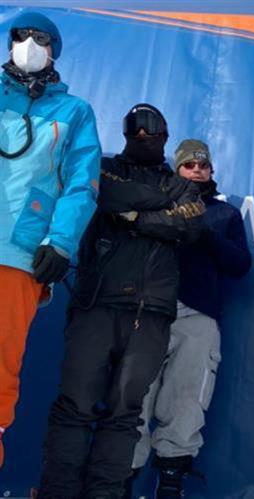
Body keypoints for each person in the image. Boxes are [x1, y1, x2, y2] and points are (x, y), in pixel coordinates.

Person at [37, 104, 205, 499]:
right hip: (97, 303)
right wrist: (158, 206)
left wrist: (135, 217)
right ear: (127, 135)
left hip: (151, 313)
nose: (144, 138)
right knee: (74, 406)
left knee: (124, 414)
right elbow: (106, 194)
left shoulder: (183, 187)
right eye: (136, 133)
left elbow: (189, 223)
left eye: (153, 132)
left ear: (166, 134)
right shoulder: (105, 167)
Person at [0, 11, 100, 468]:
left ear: (54, 49)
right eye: (19, 35)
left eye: (39, 37)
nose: (27, 44)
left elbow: (81, 183)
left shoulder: (75, 112)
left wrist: (60, 243)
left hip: (18, 255)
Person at [127, 140, 251, 498]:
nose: (197, 171)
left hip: (198, 314)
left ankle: (170, 482)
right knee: (134, 396)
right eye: (189, 166)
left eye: (203, 166)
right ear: (177, 169)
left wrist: (208, 233)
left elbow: (240, 265)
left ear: (211, 171)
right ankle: (122, 478)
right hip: (148, 312)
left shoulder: (224, 214)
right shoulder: (156, 203)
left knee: (186, 400)